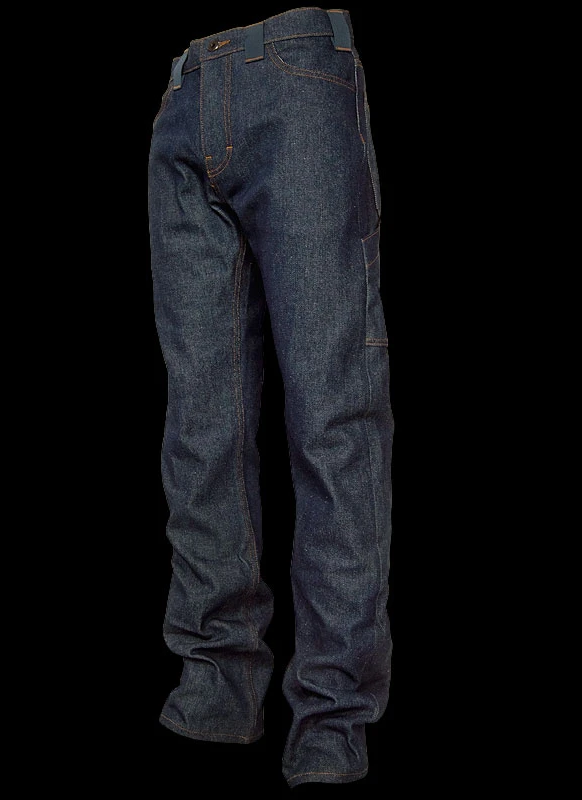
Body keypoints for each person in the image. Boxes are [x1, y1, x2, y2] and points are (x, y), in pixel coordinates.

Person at [147, 7, 393, 787]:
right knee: (201, 423)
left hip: (298, 72)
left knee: (331, 414)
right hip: (183, 93)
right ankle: (217, 684)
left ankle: (331, 718)